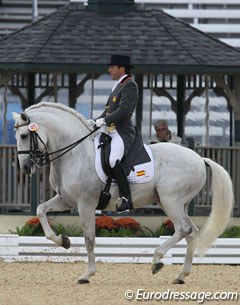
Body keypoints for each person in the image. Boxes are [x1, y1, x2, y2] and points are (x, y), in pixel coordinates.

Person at [94, 54, 139, 212]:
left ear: (122, 69)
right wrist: (93, 122)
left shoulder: (130, 85)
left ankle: (126, 198)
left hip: (122, 132)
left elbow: (123, 110)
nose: (109, 70)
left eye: (112, 67)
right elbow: (108, 111)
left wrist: (104, 121)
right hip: (109, 130)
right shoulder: (118, 85)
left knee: (113, 160)